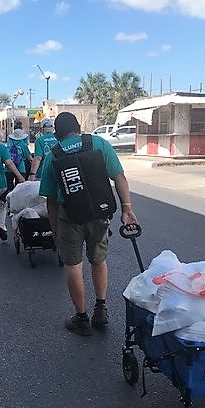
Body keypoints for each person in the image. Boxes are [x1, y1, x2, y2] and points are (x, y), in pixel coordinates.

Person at [39, 111, 138, 336]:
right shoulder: (98, 143)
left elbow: (51, 200)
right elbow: (119, 176)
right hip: (99, 215)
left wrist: (55, 231)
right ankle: (101, 308)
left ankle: (81, 317)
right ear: (78, 127)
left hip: (70, 217)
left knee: (73, 265)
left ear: (57, 133)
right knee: (98, 260)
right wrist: (126, 209)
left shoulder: (53, 155)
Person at [6, 121, 32, 192]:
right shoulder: (23, 145)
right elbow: (30, 158)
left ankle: (9, 202)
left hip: (8, 169)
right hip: (21, 168)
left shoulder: (9, 145)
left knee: (9, 189)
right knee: (20, 189)